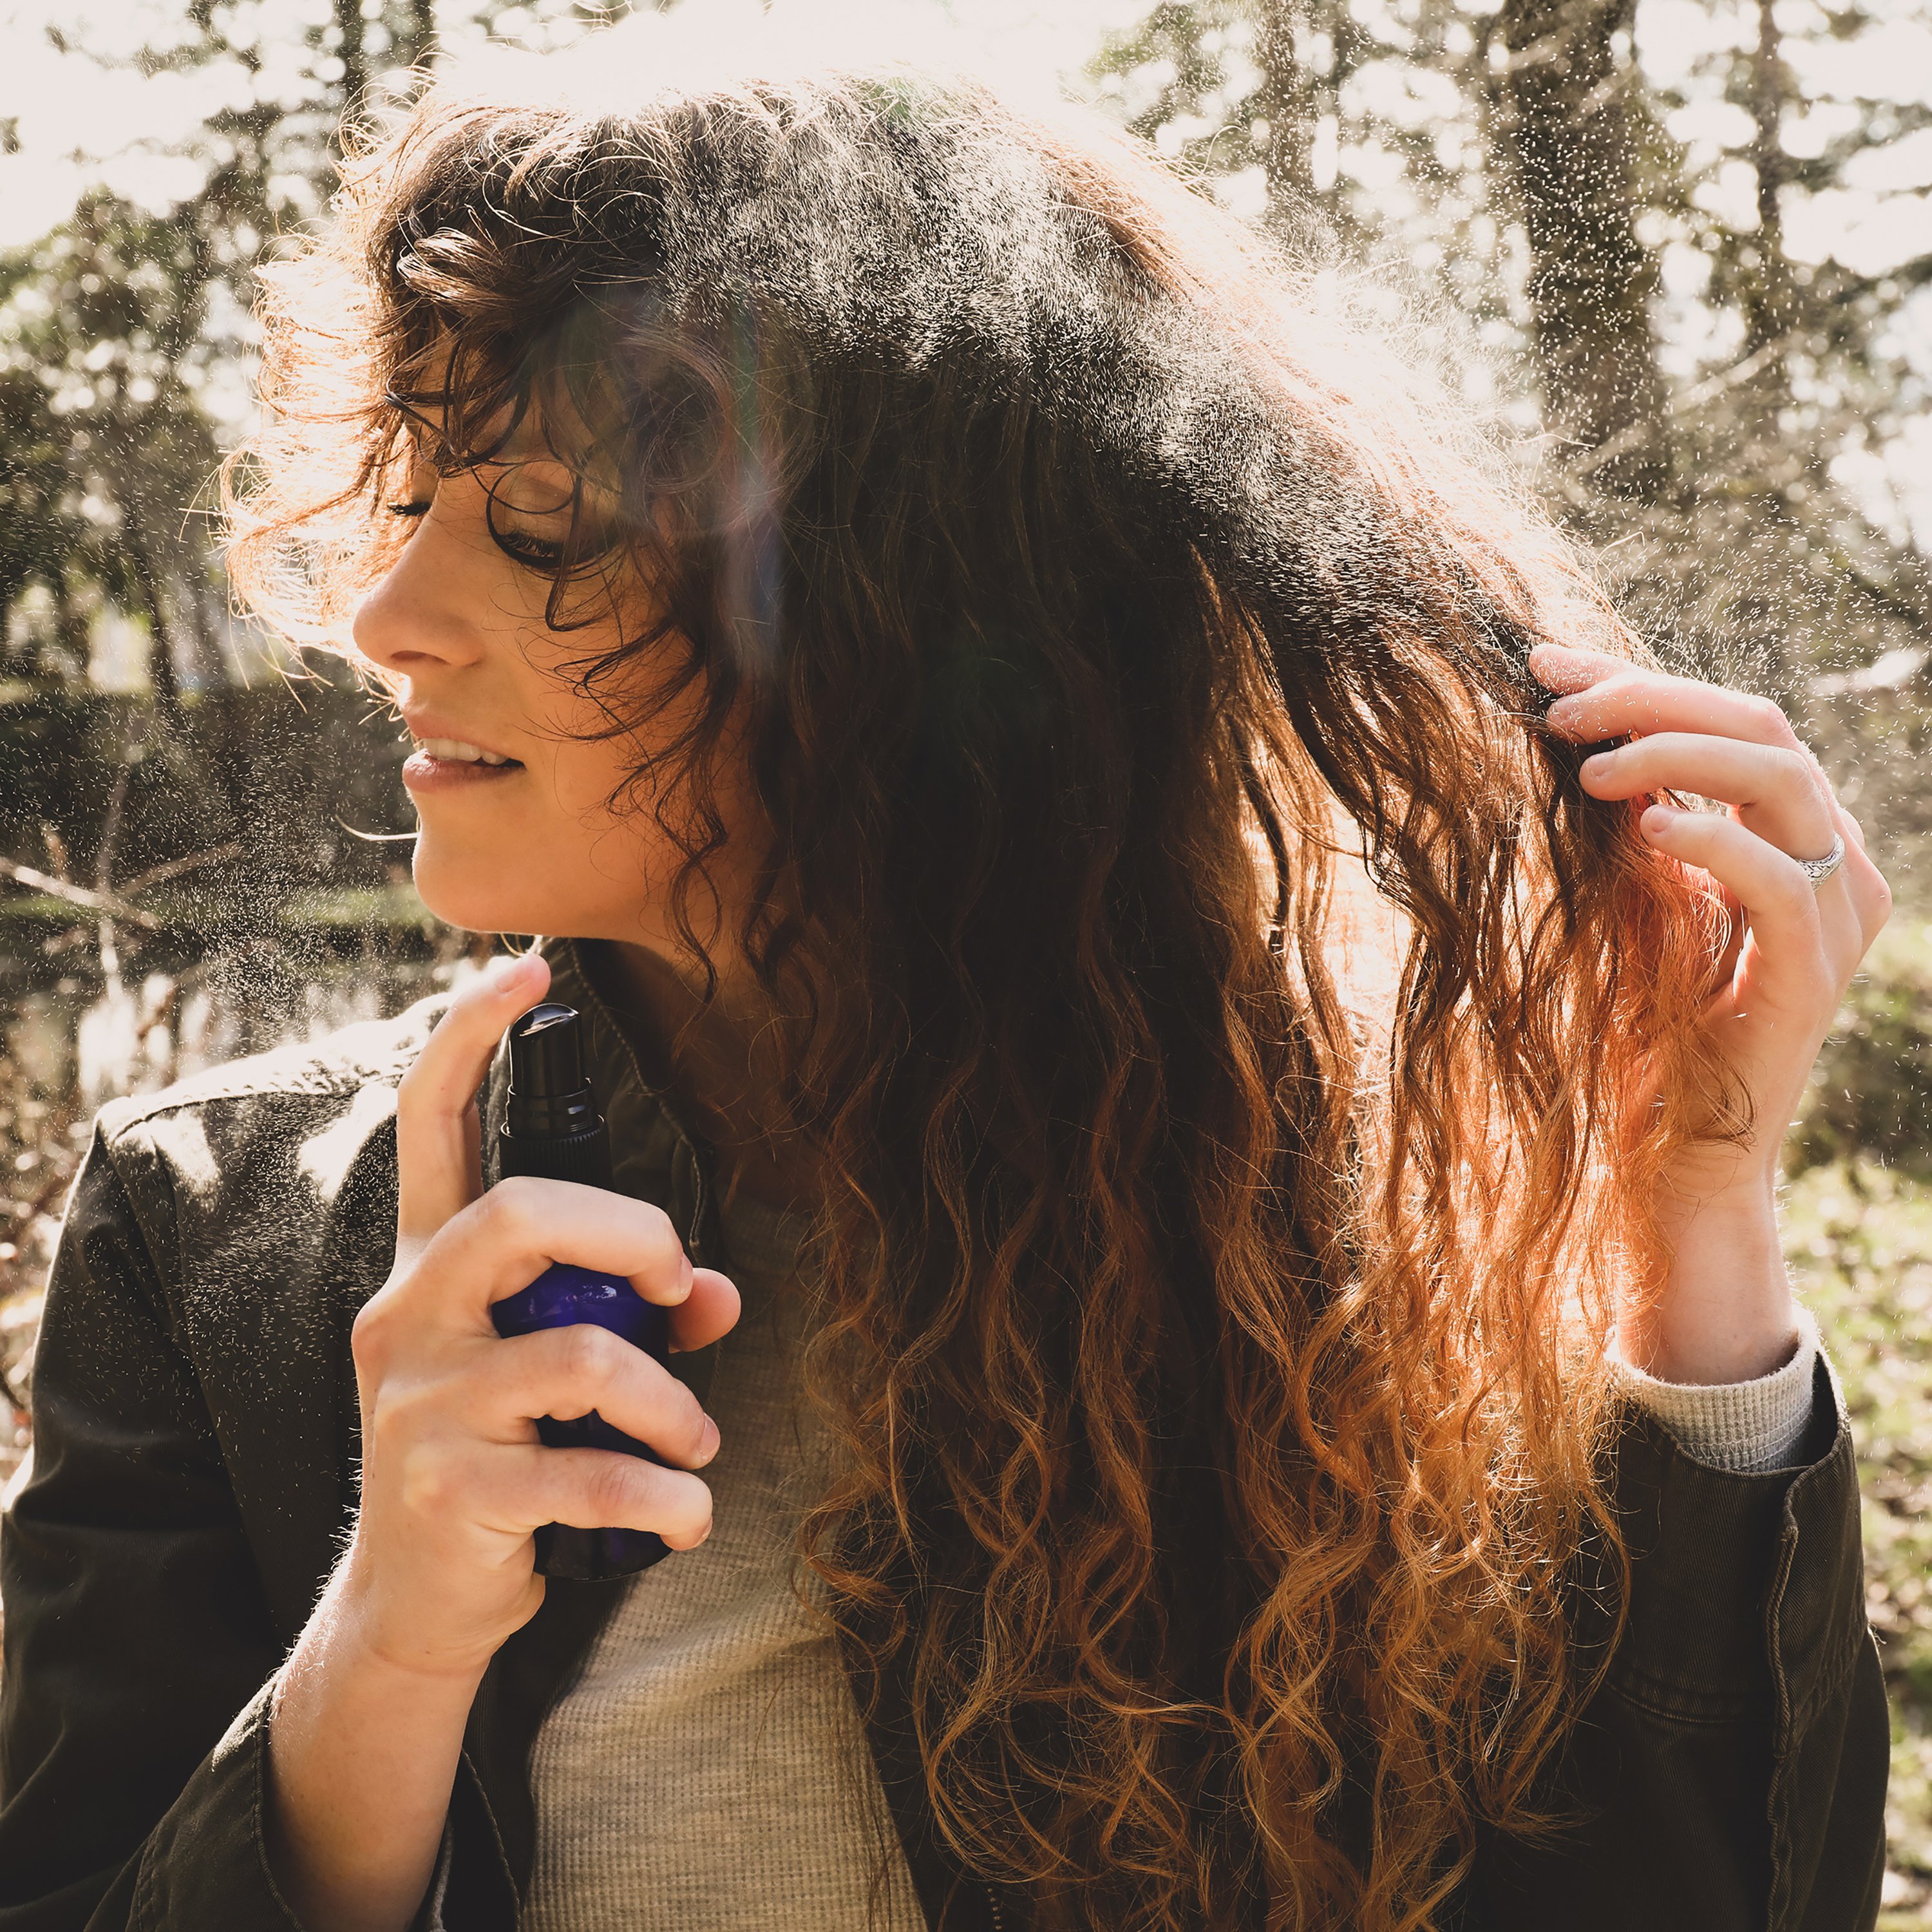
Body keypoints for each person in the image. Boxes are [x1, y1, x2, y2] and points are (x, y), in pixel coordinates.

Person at [0, 25, 1894, 1932]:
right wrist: (386, 1642)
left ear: (883, 614)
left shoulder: (1350, 1227)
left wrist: (1698, 1213)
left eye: (545, 530)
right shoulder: (207, 1237)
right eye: (410, 497)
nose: (386, 617)